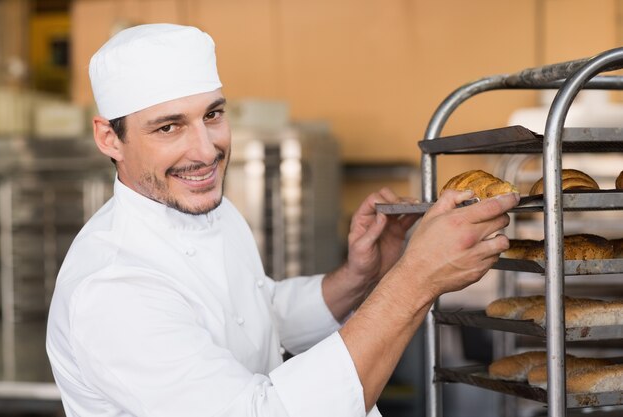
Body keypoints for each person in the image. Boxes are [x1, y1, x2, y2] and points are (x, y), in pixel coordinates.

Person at [46, 23, 519, 417]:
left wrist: (360, 276)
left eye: (212, 115)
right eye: (169, 127)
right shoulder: (113, 289)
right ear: (110, 138)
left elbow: (256, 314)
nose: (206, 150)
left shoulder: (206, 208)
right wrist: (413, 280)